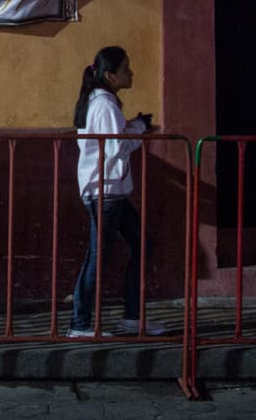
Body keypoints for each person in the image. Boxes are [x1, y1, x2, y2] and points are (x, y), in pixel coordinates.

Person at [68, 46, 167, 338]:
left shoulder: (102, 101)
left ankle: (133, 319)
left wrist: (135, 125)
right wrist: (138, 129)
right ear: (111, 75)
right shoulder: (105, 105)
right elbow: (116, 148)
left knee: (142, 246)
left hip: (111, 190)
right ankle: (79, 323)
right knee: (97, 258)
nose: (131, 73)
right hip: (106, 191)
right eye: (126, 69)